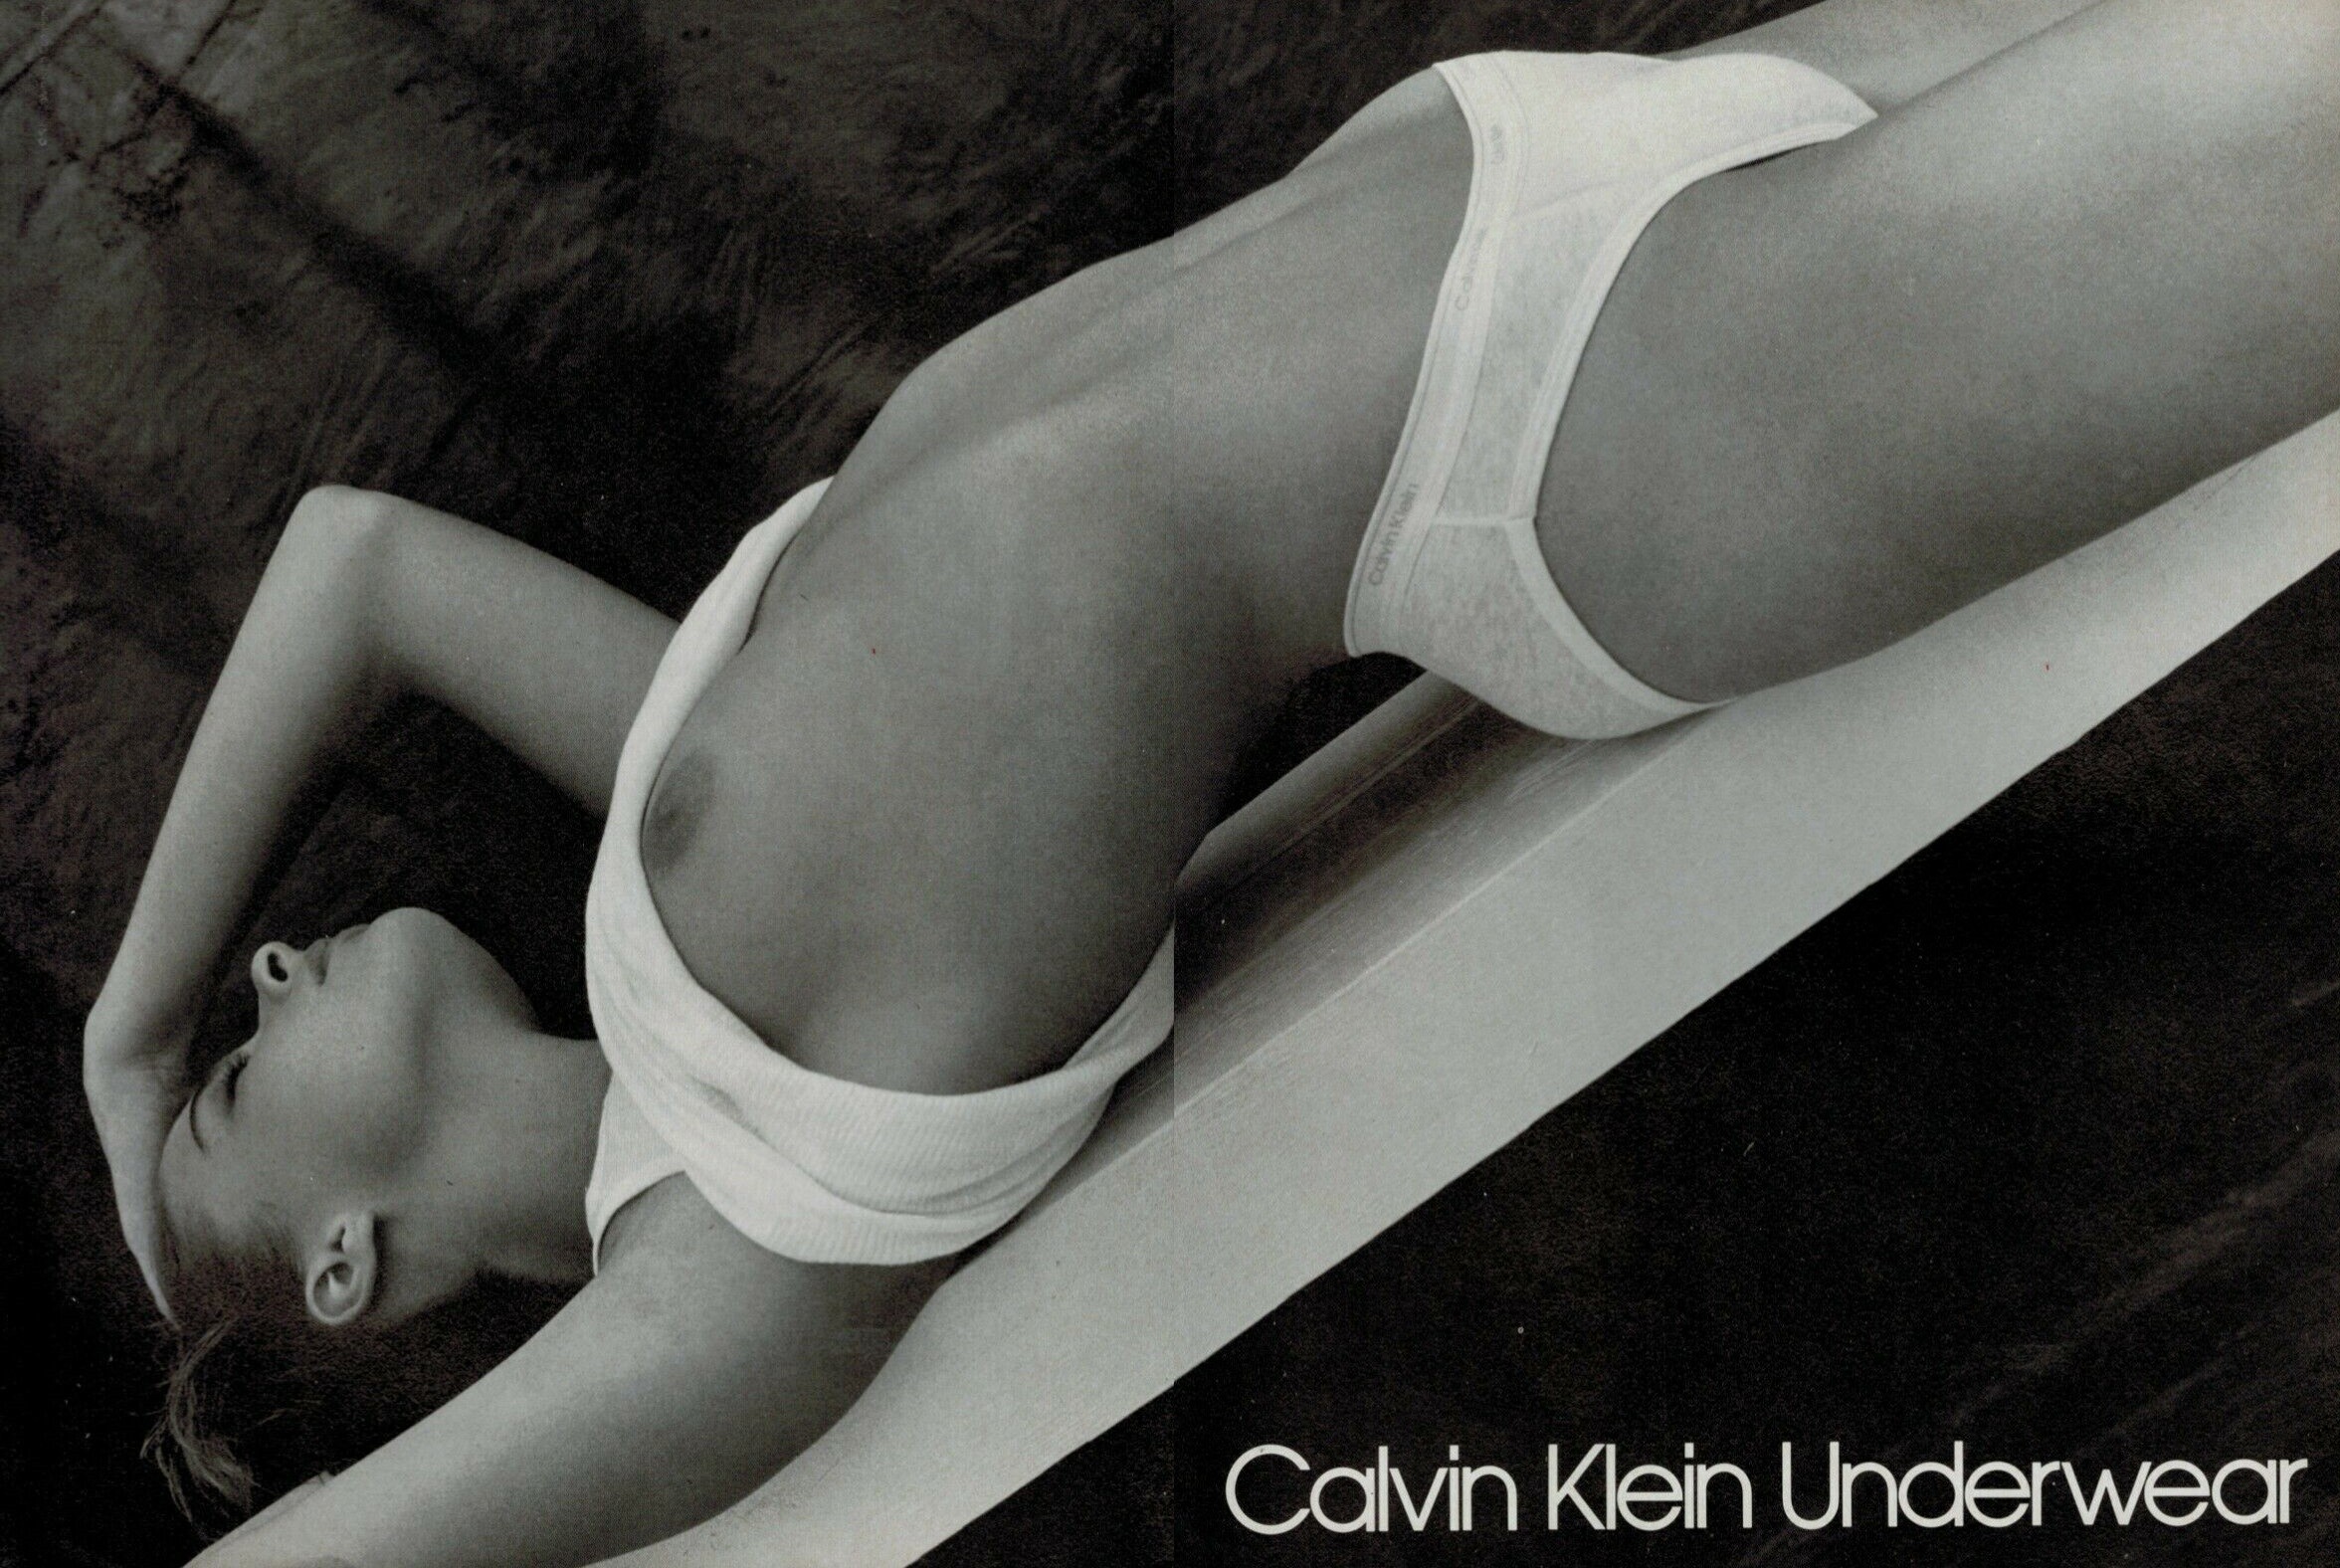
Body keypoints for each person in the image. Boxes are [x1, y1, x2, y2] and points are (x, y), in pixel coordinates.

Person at [78, 0, 2340, 1561]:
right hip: (1613, 413)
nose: (261, 972)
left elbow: (355, 564)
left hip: (1571, 149)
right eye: (235, 1087)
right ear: (353, 1264)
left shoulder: (660, 869)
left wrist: (129, 1030)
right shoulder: (733, 1256)